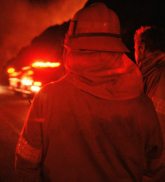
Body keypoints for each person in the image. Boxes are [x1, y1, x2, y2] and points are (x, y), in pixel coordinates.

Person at [15, 3, 164, 182]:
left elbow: (26, 164)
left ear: (70, 46)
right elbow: (154, 167)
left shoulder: (47, 98)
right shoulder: (143, 105)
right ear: (116, 47)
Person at [134, 26, 165, 182]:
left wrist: (149, 170)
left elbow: (158, 125)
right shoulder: (150, 73)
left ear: (142, 47)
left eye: (135, 48)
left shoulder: (159, 75)